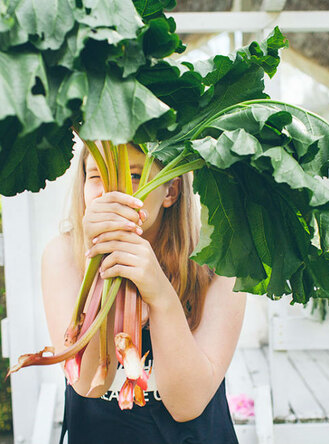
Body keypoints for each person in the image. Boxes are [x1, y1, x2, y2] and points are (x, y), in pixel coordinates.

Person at [41, 142, 246, 444]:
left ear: (171, 191)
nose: (112, 191)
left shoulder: (220, 261)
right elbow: (88, 384)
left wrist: (160, 293)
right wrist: (98, 266)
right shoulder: (63, 255)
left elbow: (187, 405)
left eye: (135, 175)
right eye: (96, 176)